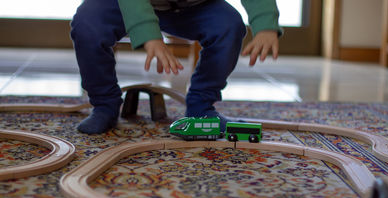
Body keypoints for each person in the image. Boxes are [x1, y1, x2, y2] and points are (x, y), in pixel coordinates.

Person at [71, 0, 281, 134]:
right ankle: (104, 106)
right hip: (126, 4)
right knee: (87, 22)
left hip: (194, 7)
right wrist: (148, 34)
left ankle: (201, 107)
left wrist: (266, 25)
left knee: (229, 25)